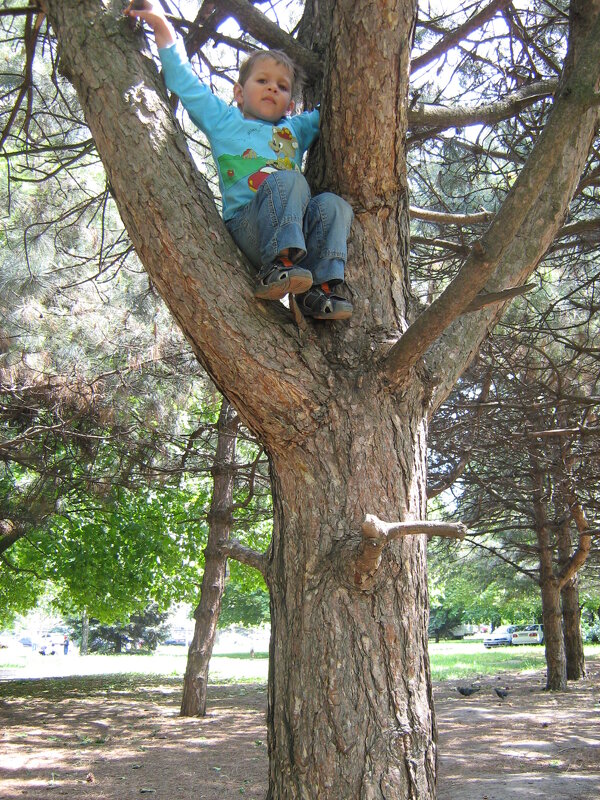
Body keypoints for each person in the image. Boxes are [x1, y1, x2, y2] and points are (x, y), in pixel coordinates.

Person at [124, 1, 353, 320]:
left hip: (294, 234)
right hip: (250, 226)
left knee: (334, 205)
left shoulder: (295, 129)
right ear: (239, 93)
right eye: (263, 81)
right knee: (289, 180)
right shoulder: (224, 120)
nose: (272, 87)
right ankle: (276, 268)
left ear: (289, 104)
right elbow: (184, 82)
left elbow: (338, 106)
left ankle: (320, 292)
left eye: (282, 86)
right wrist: (162, 27)